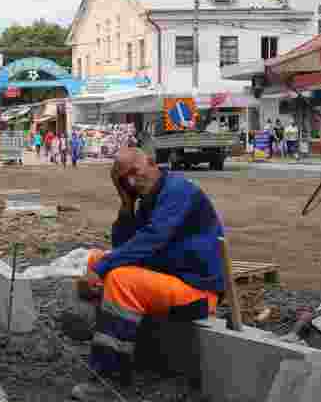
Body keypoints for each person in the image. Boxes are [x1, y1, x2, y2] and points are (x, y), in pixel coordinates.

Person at [78, 147, 225, 389]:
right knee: (96, 259)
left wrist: (103, 269)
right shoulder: (149, 197)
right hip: (172, 275)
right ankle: (121, 336)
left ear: (152, 162)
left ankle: (110, 372)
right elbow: (124, 246)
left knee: (118, 278)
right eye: (125, 179)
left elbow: (152, 239)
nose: (133, 181)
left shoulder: (177, 191)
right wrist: (126, 204)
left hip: (197, 291)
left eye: (135, 172)